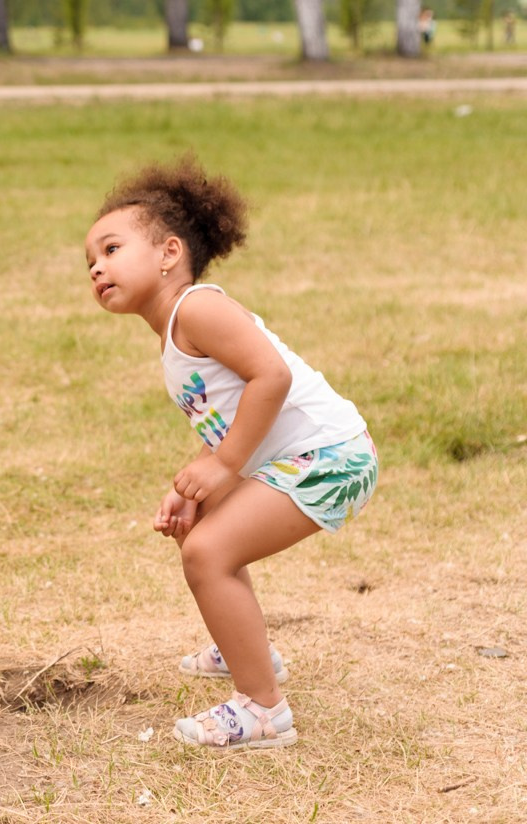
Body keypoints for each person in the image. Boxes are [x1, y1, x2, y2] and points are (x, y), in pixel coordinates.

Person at [84, 155, 378, 750]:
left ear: (169, 253)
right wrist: (200, 477)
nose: (96, 267)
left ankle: (264, 710)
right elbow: (230, 411)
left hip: (332, 455)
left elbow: (272, 376)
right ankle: (247, 649)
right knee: (198, 531)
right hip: (305, 455)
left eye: (111, 249)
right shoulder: (174, 330)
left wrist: (223, 467)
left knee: (208, 552)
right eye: (90, 260)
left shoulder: (198, 308)